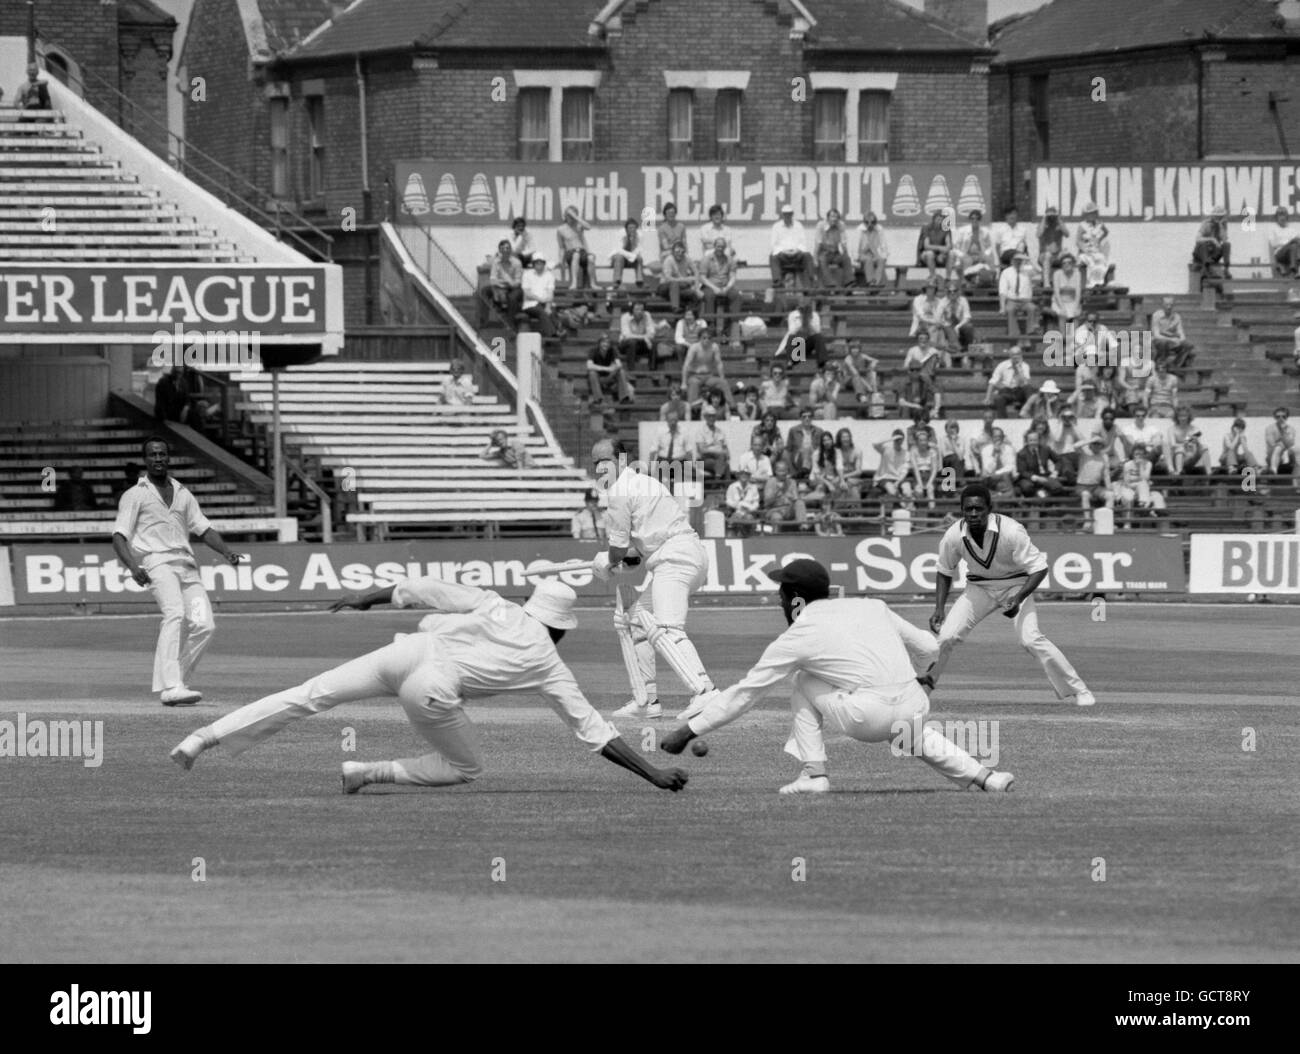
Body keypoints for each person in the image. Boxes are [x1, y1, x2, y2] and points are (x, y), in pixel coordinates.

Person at [171, 578, 689, 795]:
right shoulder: (549, 665)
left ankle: (201, 738)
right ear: (561, 628)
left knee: (309, 694)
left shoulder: (496, 603)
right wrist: (654, 774)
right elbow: (596, 733)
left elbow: (420, 589)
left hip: (407, 651)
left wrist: (366, 599)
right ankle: (365, 772)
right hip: (433, 687)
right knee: (467, 767)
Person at [660, 558, 1015, 794]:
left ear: (793, 597)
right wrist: (924, 679)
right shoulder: (871, 605)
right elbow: (930, 646)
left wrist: (688, 731)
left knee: (801, 681)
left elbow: (746, 693)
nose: (778, 597)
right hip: (913, 705)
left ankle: (814, 774)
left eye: (781, 591)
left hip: (866, 719)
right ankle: (987, 778)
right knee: (907, 730)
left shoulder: (799, 634)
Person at [925, 483, 1094, 707]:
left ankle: (1079, 690)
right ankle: (922, 691)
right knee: (945, 637)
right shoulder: (953, 534)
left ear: (990, 508)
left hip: (1016, 585)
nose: (973, 514)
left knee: (1030, 639)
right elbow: (944, 570)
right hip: (979, 588)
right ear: (962, 510)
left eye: (979, 509)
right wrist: (939, 609)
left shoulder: (1011, 530)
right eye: (968, 509)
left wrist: (1019, 596)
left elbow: (1039, 568)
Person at [592, 438, 718, 721]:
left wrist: (607, 562)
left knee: (669, 628)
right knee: (637, 622)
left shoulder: (620, 491)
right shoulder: (644, 482)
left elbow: (619, 549)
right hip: (679, 555)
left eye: (605, 460)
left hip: (675, 558)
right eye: (595, 463)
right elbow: (637, 554)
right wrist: (617, 562)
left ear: (622, 460)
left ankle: (706, 691)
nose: (600, 468)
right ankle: (647, 700)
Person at [111, 436, 241, 707]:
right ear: (145, 460)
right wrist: (133, 567)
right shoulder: (135, 495)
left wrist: (226, 552)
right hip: (157, 563)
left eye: (162, 454)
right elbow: (119, 536)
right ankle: (171, 685)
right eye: (152, 455)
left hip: (186, 565)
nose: (158, 458)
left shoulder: (183, 493)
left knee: (204, 624)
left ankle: (177, 683)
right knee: (174, 613)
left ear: (168, 458)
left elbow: (203, 528)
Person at [1115, 443, 1166, 523]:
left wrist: (1141, 466)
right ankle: (1143, 509)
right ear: (1133, 454)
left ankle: (1161, 518)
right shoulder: (1127, 465)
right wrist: (1137, 484)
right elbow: (1127, 482)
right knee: (1137, 489)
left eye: (1141, 454)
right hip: (1130, 489)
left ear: (1145, 455)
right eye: (1136, 454)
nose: (1138, 456)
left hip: (1144, 491)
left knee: (1157, 496)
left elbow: (1146, 478)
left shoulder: (1148, 464)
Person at [681, 335, 730, 414]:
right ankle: (693, 410)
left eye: (709, 338)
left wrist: (722, 377)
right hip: (694, 375)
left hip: (708, 376)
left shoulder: (714, 347)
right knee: (693, 383)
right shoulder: (694, 347)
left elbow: (719, 363)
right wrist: (683, 383)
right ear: (699, 339)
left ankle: (731, 406)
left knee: (723, 382)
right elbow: (686, 365)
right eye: (704, 338)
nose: (706, 340)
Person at [769, 203, 814, 287]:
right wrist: (784, 251)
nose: (787, 216)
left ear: (792, 214)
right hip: (783, 254)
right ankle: (777, 282)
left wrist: (797, 250)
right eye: (785, 214)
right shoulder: (776, 226)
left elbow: (803, 243)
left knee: (808, 256)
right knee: (773, 257)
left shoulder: (798, 225)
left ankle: (811, 281)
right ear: (782, 215)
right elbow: (773, 245)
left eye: (789, 214)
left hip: (796, 254)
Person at [700, 237, 740, 326]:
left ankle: (733, 323)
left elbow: (733, 276)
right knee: (709, 295)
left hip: (725, 286)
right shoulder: (706, 259)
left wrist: (727, 288)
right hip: (710, 286)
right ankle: (710, 324)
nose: (720, 248)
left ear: (725, 247)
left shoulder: (730, 260)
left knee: (736, 295)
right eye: (718, 246)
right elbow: (702, 277)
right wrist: (714, 288)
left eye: (722, 247)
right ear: (714, 246)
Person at [1015, 427, 1065, 498]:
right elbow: (1022, 471)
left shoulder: (1046, 449)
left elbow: (1059, 460)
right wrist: (1037, 478)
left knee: (1058, 487)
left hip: (1045, 476)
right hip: (1029, 478)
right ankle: (1036, 500)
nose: (1033, 442)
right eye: (1030, 440)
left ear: (1039, 440)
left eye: (1035, 440)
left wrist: (1056, 472)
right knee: (1027, 487)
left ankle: (1044, 497)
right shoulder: (1021, 453)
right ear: (1026, 441)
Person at [761, 457, 808, 532]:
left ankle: (803, 527)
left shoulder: (792, 482)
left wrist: (794, 497)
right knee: (776, 517)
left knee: (800, 503)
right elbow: (767, 502)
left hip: (788, 509)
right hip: (774, 510)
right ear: (775, 471)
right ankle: (775, 537)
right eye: (780, 471)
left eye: (785, 470)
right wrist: (777, 491)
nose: (783, 473)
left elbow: (796, 499)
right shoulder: (771, 482)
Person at [1149, 296, 1194, 373]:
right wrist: (1171, 339)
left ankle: (1176, 365)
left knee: (1188, 345)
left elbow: (1180, 331)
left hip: (1172, 340)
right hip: (1159, 339)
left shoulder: (1177, 317)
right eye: (1167, 304)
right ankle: (1161, 363)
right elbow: (1156, 334)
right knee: (1163, 342)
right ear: (1162, 305)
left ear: (1173, 305)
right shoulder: (1156, 315)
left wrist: (1181, 340)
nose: (1169, 307)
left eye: (1171, 304)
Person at [586, 334, 634, 405]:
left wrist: (614, 368)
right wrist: (607, 368)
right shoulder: (593, 350)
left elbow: (619, 364)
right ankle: (598, 399)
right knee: (592, 373)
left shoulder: (613, 350)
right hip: (598, 378)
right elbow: (589, 366)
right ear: (599, 343)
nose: (606, 344)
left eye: (608, 342)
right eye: (603, 342)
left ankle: (624, 398)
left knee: (621, 371)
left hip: (609, 377)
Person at [872, 429, 913, 509]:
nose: (898, 441)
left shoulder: (906, 453)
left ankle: (907, 513)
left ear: (903, 440)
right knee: (892, 491)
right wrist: (890, 439)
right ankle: (889, 512)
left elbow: (905, 470)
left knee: (907, 491)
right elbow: (874, 443)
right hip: (884, 478)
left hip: (899, 478)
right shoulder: (886, 449)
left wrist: (898, 482)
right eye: (896, 439)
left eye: (900, 439)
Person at [998, 252, 1037, 337]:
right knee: (1010, 309)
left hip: (1026, 301)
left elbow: (1038, 274)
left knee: (1032, 308)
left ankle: (1031, 332)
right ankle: (1013, 335)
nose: (1018, 262)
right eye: (1016, 260)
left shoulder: (1028, 271)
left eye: (1020, 260)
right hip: (1012, 300)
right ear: (1012, 261)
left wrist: (1028, 260)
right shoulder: (1006, 272)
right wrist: (1002, 307)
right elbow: (1003, 291)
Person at [952, 207, 996, 284]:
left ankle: (991, 279)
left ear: (980, 220)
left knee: (990, 259)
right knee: (964, 263)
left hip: (980, 255)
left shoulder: (985, 231)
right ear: (970, 219)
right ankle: (965, 281)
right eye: (972, 218)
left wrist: (985, 255)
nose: (975, 220)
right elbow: (955, 247)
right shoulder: (962, 231)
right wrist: (963, 256)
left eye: (977, 218)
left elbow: (989, 247)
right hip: (966, 255)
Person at [986, 345, 1032, 417]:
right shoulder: (1002, 365)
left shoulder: (1025, 366)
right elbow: (992, 382)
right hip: (1006, 391)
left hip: (1019, 391)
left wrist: (1019, 369)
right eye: (1013, 354)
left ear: (1021, 355)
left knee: (1028, 388)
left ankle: (1025, 414)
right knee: (998, 398)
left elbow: (1025, 383)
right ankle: (1003, 422)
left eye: (1017, 354)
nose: (1015, 356)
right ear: (1010, 356)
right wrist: (987, 398)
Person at [1074, 202, 1112, 288]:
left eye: (1094, 212)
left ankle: (1098, 284)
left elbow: (1106, 232)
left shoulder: (1099, 224)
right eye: (1090, 213)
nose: (1093, 215)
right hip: (1085, 252)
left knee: (1102, 261)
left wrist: (1099, 239)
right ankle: (1090, 286)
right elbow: (1078, 240)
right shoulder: (1082, 225)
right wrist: (1084, 248)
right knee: (1090, 263)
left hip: (1096, 251)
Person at [657, 240, 701, 312]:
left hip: (681, 288)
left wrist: (696, 288)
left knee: (694, 294)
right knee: (674, 284)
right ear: (673, 252)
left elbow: (696, 272)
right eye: (677, 252)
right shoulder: (668, 260)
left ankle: (691, 314)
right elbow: (668, 278)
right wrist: (685, 279)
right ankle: (675, 307)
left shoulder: (687, 258)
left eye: (682, 252)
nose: (680, 254)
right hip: (664, 286)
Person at [520, 255, 557, 337]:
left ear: (544, 264)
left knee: (551, 312)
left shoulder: (549, 275)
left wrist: (548, 306)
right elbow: (527, 293)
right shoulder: (527, 274)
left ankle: (551, 339)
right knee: (542, 312)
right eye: (537, 263)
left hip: (545, 302)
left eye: (541, 263)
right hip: (530, 304)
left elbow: (550, 294)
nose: (539, 265)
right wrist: (540, 299)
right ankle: (554, 335)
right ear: (533, 264)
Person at [941, 280, 976, 364]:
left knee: (969, 327)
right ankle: (959, 351)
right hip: (947, 327)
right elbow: (938, 318)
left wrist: (958, 326)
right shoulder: (943, 302)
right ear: (947, 292)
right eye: (950, 291)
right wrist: (948, 324)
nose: (952, 293)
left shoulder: (963, 300)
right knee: (948, 328)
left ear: (958, 291)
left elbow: (967, 316)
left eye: (954, 291)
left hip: (960, 326)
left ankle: (967, 352)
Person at [783, 406, 823, 481]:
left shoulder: (819, 431)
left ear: (812, 418)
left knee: (808, 448)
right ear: (800, 418)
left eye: (809, 416)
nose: (807, 418)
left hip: (814, 460)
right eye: (804, 416)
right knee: (785, 452)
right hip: (798, 459)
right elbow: (789, 448)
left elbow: (822, 448)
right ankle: (801, 472)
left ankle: (803, 472)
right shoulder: (793, 430)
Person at [814, 208, 851, 287]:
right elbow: (818, 243)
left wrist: (846, 254)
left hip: (835, 252)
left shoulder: (841, 225)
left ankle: (849, 282)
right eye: (832, 217)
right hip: (824, 252)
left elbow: (844, 243)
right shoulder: (820, 225)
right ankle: (830, 283)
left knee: (846, 258)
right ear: (827, 218)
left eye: (836, 217)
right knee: (821, 259)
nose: (834, 219)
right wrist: (815, 259)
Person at [618, 300, 659, 372]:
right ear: (632, 310)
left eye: (642, 310)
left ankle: (653, 370)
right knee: (632, 342)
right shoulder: (625, 317)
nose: (640, 312)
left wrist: (646, 338)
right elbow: (627, 335)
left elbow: (652, 332)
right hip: (625, 344)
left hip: (641, 344)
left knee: (653, 342)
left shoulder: (647, 315)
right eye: (637, 309)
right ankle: (632, 370)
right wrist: (644, 337)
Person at [487, 239, 524, 319]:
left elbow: (517, 282)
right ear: (500, 250)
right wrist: (501, 284)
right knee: (484, 291)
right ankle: (483, 320)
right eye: (503, 248)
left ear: (510, 249)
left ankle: (510, 321)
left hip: (514, 288)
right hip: (499, 286)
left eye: (507, 248)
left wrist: (506, 281)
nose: (505, 250)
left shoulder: (517, 262)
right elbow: (492, 279)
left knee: (512, 296)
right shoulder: (496, 262)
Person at [1193, 205, 1232, 279]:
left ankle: (1226, 269)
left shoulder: (1223, 225)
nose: (1218, 218)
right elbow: (1198, 239)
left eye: (1220, 216)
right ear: (1213, 216)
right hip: (1203, 252)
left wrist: (1220, 225)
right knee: (1202, 244)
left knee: (1227, 244)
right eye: (1217, 216)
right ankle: (1207, 269)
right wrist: (1212, 239)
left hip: (1213, 253)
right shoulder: (1206, 223)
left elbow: (1224, 240)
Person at [976, 426, 1017, 496]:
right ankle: (1008, 496)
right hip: (990, 478)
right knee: (1005, 479)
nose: (998, 438)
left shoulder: (1009, 449)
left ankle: (999, 496)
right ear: (991, 438)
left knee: (1004, 477)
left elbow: (1011, 467)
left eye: (1000, 436)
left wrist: (998, 473)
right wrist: (995, 454)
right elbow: (988, 469)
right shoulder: (985, 450)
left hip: (1005, 477)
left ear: (1003, 437)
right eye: (995, 436)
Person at [916, 209, 951, 284]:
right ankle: (933, 277)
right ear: (934, 219)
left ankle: (948, 278)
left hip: (940, 256)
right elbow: (926, 246)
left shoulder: (946, 229)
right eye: (938, 219)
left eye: (942, 220)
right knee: (930, 253)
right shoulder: (926, 228)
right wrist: (939, 248)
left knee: (951, 254)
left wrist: (943, 254)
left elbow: (949, 245)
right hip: (926, 256)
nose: (940, 221)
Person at [723, 466, 761, 536]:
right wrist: (737, 505)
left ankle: (749, 538)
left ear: (749, 476)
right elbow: (728, 500)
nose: (744, 476)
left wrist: (750, 508)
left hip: (749, 512)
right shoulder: (732, 486)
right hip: (736, 511)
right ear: (738, 475)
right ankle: (734, 537)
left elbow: (756, 502)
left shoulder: (753, 487)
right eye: (742, 474)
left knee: (749, 518)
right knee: (736, 517)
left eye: (746, 474)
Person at [695, 405, 730, 480]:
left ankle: (722, 485)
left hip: (719, 459)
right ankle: (718, 483)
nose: (712, 418)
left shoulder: (720, 431)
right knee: (723, 464)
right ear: (705, 417)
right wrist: (718, 452)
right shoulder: (700, 432)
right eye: (709, 416)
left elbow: (726, 449)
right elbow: (702, 450)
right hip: (704, 459)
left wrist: (723, 453)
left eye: (713, 416)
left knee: (724, 464)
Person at [854, 211, 888, 287]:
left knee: (881, 260)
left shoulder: (879, 229)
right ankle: (871, 281)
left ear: (875, 222)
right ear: (864, 222)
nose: (870, 224)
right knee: (868, 259)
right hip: (862, 253)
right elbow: (855, 246)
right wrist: (856, 259)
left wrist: (884, 255)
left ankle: (876, 281)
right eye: (867, 222)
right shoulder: (859, 230)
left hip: (875, 253)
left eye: (872, 222)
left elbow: (883, 244)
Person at [1170, 407, 1207, 476]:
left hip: (1191, 456)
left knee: (1204, 447)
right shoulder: (1171, 429)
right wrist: (1186, 442)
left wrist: (1195, 442)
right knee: (1180, 449)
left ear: (1189, 416)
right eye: (1180, 416)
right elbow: (1173, 445)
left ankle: (1209, 474)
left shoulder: (1195, 429)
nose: (1183, 418)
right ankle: (1179, 472)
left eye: (1185, 416)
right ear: (1176, 417)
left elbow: (1199, 444)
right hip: (1177, 457)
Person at [1049, 253, 1083, 327]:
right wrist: (1062, 307)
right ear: (1061, 265)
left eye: (1069, 262)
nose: (1066, 264)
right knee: (1063, 315)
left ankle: (1071, 337)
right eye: (1064, 263)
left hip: (1073, 301)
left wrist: (1076, 307)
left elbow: (1078, 292)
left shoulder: (1077, 274)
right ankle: (1064, 337)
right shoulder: (1057, 274)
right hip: (1059, 301)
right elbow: (1057, 293)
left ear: (1073, 264)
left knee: (1075, 315)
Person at [610, 218, 645, 288]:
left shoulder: (639, 235)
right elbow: (618, 249)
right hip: (618, 258)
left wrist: (633, 243)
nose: (632, 230)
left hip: (631, 258)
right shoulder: (621, 234)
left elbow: (639, 249)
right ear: (626, 228)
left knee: (639, 258)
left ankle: (639, 281)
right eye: (630, 228)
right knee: (619, 257)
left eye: (634, 228)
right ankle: (617, 281)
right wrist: (630, 255)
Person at [1037, 206, 1069, 281]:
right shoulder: (1042, 225)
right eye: (1049, 216)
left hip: (1058, 254)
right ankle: (1046, 284)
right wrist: (1044, 219)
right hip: (1044, 255)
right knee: (1047, 256)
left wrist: (1058, 219)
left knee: (1068, 256)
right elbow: (1038, 234)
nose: (1051, 218)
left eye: (1053, 216)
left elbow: (1067, 234)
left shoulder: (1059, 225)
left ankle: (1066, 283)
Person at [1267, 209, 1300, 278]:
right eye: (1280, 216)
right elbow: (1273, 244)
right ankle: (1295, 269)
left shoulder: (1292, 230)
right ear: (1277, 218)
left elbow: (1297, 240)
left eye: (1284, 215)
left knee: (1295, 244)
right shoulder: (1273, 229)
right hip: (1279, 254)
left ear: (1286, 217)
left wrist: (1292, 242)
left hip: (1290, 254)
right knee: (1293, 245)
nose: (1282, 218)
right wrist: (1289, 242)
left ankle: (1294, 268)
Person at [1265, 406, 1297, 476]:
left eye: (1283, 416)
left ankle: (1274, 470)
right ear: (1274, 417)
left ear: (1287, 417)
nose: (1280, 418)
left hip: (1286, 457)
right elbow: (1271, 444)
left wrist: (1284, 432)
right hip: (1271, 457)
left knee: (1294, 450)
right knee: (1279, 446)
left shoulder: (1291, 429)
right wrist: (1281, 443)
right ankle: (1273, 470)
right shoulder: (1270, 428)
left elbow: (1290, 444)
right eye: (1278, 416)